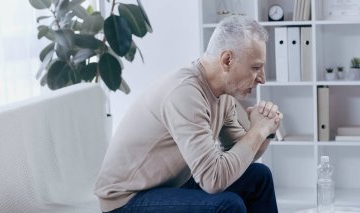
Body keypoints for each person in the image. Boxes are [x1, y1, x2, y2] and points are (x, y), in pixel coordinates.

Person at [94, 15, 283, 213]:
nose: (262, 78)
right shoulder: (185, 93)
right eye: (255, 68)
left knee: (259, 177)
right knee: (227, 205)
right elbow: (213, 180)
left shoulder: (223, 94)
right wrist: (258, 130)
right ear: (227, 60)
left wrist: (265, 131)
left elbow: (240, 153)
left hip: (169, 185)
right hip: (126, 199)